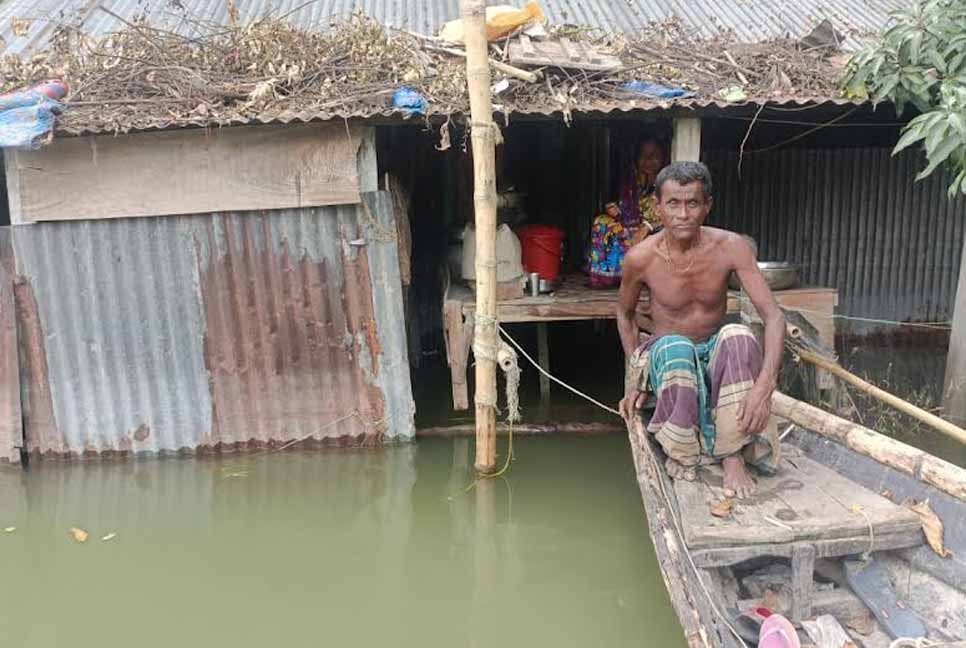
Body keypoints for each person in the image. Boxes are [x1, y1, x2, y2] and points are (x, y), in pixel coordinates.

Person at [616, 161, 784, 498]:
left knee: (738, 336)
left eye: (692, 203)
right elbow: (624, 313)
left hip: (713, 351)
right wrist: (637, 378)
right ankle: (682, 450)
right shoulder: (641, 258)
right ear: (658, 207)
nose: (683, 214)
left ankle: (732, 453)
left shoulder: (731, 246)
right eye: (673, 204)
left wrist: (764, 387)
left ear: (707, 206)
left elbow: (774, 316)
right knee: (675, 346)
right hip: (669, 355)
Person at [618, 138, 668, 242]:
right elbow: (628, 215)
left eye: (654, 154)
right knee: (601, 222)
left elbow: (675, 218)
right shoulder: (633, 183)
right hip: (634, 228)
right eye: (643, 154)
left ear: (663, 158)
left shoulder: (669, 183)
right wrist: (617, 212)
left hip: (656, 232)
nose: (648, 159)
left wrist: (649, 226)